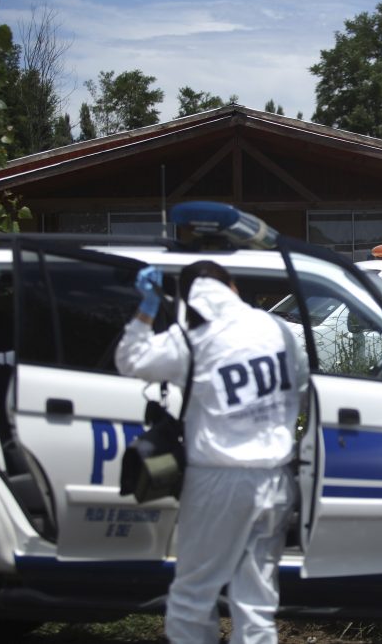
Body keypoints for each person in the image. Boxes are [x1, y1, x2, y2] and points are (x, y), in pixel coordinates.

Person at [115, 260, 308, 644]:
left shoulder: (192, 338)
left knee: (193, 593)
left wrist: (147, 309)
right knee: (256, 601)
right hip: (275, 479)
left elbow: (129, 359)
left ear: (188, 298)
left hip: (219, 479)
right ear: (232, 287)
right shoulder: (276, 329)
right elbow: (301, 388)